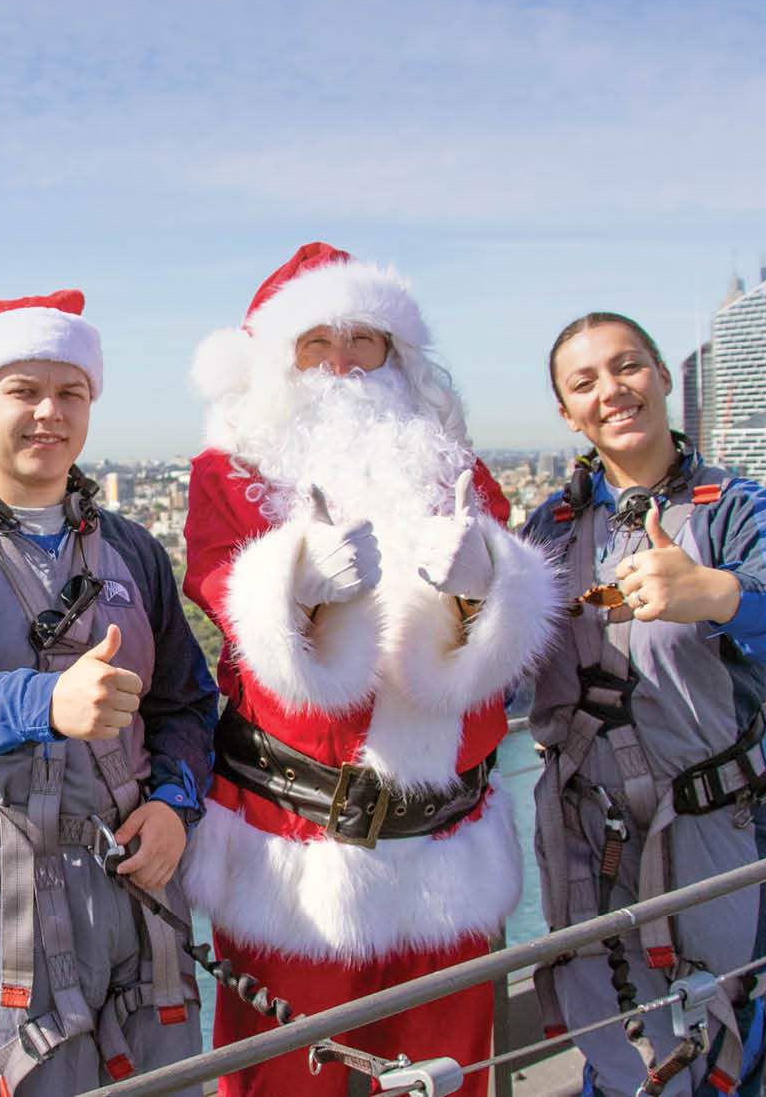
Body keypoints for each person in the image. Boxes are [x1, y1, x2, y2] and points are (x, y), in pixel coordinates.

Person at [179, 243, 560, 1096]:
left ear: (400, 358)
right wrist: (293, 586)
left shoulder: (453, 468)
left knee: (449, 1073)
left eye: (368, 342)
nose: (344, 365)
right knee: (282, 1081)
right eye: (318, 343)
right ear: (280, 361)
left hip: (446, 844)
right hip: (298, 849)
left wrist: (485, 586)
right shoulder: (228, 470)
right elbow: (216, 578)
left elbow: (508, 610)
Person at [0, 289, 218, 1096]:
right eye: (23, 390)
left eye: (70, 392)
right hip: (3, 894)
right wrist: (46, 703)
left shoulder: (130, 549)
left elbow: (186, 703)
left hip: (137, 881)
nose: (48, 412)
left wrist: (173, 803)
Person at [522, 313, 766, 1096]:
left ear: (664, 377)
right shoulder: (551, 529)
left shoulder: (734, 510)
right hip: (588, 837)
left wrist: (717, 591)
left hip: (715, 831)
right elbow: (497, 667)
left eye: (628, 367)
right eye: (585, 382)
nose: (613, 391)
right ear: (568, 413)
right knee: (617, 1055)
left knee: (714, 1053)